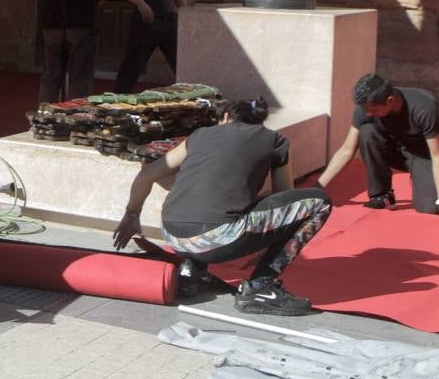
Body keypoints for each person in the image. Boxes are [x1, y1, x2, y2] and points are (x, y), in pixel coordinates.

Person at [112, 99, 331, 316]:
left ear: (225, 117)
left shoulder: (200, 136)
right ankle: (260, 286)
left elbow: (146, 176)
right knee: (319, 202)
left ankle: (191, 272)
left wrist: (132, 214)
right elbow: (286, 197)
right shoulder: (274, 140)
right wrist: (268, 242)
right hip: (218, 238)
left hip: (173, 237)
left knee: (204, 198)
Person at [318, 73, 439, 220]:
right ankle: (382, 196)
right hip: (396, 151)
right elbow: (346, 150)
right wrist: (318, 186)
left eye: (373, 110)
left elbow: (438, 155)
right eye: (366, 109)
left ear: (390, 101)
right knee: (367, 132)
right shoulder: (366, 107)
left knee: (430, 207)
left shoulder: (424, 108)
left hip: (425, 155)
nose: (368, 113)